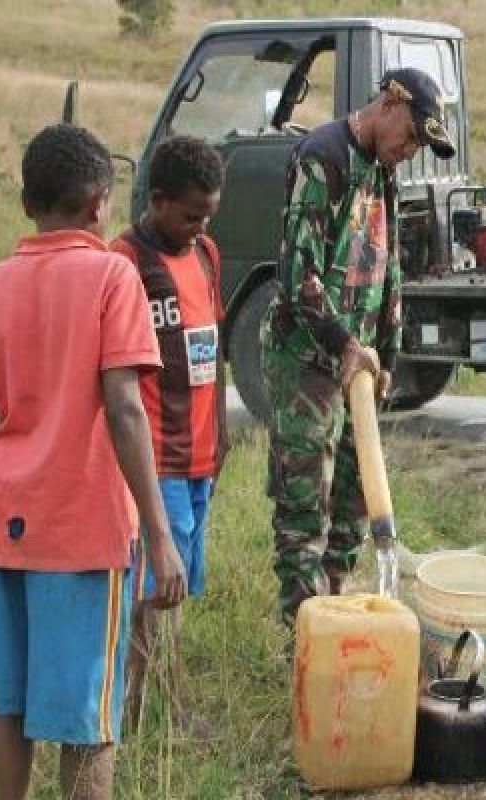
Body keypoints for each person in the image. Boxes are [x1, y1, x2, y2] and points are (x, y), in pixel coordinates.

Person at [0, 124, 186, 800]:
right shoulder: (112, 276)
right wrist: (160, 532)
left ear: (29, 202)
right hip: (84, 534)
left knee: (9, 706)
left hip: (0, 529)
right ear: (98, 204)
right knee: (90, 720)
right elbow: (124, 408)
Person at [263, 67, 456, 625]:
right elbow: (298, 274)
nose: (410, 149)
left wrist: (387, 356)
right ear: (389, 104)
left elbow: (388, 268)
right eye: (412, 136)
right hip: (309, 362)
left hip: (362, 367)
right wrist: (346, 343)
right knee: (306, 508)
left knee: (350, 502)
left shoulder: (383, 171)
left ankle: (341, 618)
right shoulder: (324, 158)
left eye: (421, 144)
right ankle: (301, 639)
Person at [110, 135, 227, 734]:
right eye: (188, 214)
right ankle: (147, 714)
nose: (199, 224)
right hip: (157, 460)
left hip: (201, 456)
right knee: (153, 595)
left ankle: (155, 711)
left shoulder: (205, 253)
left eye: (207, 214)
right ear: (156, 200)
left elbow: (215, 346)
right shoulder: (124, 262)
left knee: (175, 593)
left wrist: (223, 435)